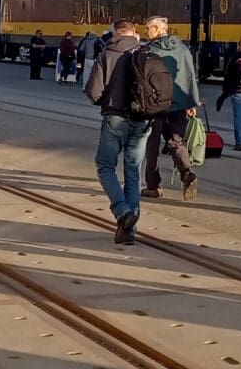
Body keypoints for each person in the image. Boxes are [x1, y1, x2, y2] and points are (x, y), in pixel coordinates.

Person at [83, 20, 149, 244]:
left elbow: (93, 92)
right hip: (142, 122)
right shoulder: (145, 52)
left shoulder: (107, 54)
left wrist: (106, 100)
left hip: (115, 119)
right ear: (134, 34)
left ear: (114, 33)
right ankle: (128, 231)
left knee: (105, 166)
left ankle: (122, 211)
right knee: (133, 173)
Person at [141, 16, 201, 202]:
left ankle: (153, 186)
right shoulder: (184, 50)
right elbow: (191, 76)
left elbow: (143, 80)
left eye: (148, 28)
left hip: (155, 105)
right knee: (176, 142)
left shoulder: (149, 50)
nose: (145, 32)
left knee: (152, 145)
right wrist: (192, 103)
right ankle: (187, 173)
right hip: (178, 106)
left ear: (158, 29)